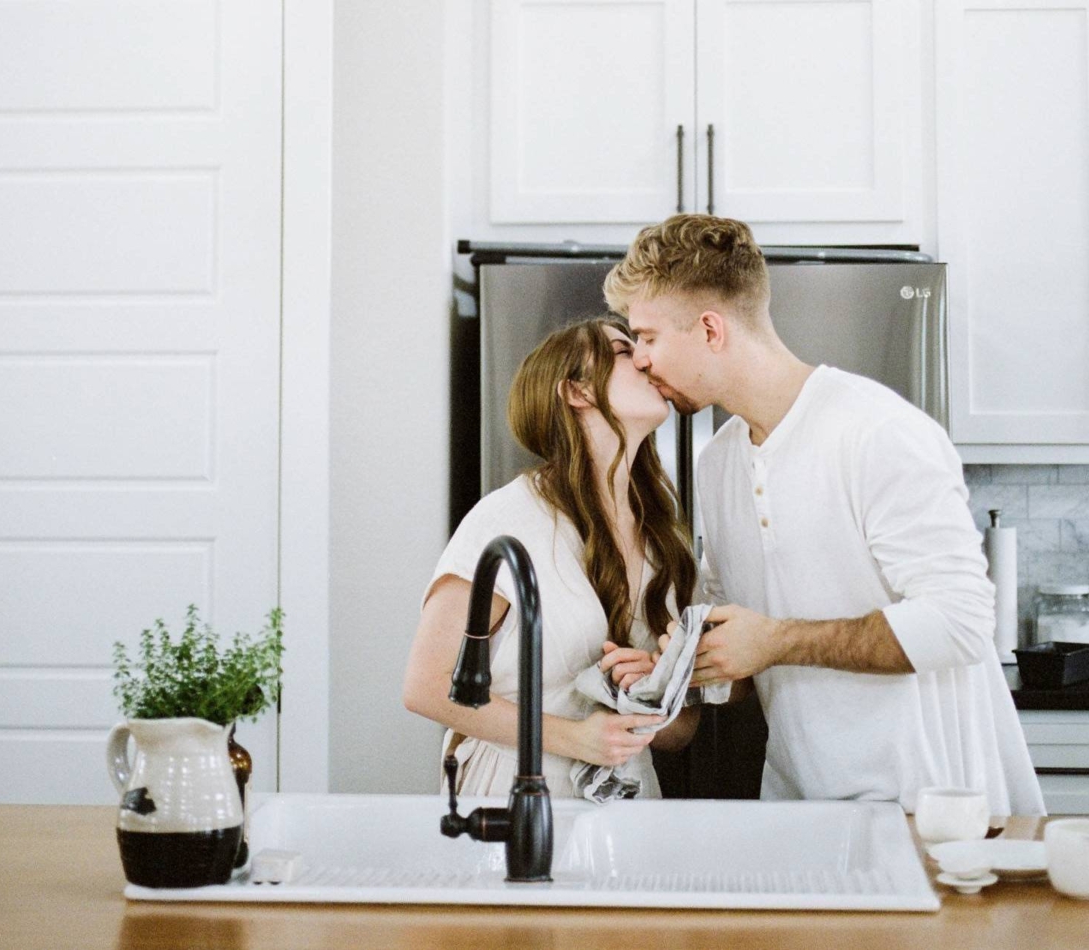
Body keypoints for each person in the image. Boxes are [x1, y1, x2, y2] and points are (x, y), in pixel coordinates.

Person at [603, 214, 1044, 815]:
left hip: (935, 807)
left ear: (710, 329)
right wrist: (677, 668)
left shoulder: (877, 433)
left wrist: (777, 642)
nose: (642, 361)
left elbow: (962, 624)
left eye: (648, 337)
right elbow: (744, 658)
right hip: (804, 802)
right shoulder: (720, 463)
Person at [403, 316, 701, 798]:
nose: (646, 359)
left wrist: (649, 689)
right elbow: (426, 685)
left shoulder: (666, 536)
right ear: (577, 392)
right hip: (515, 798)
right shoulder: (508, 518)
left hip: (630, 805)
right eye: (624, 352)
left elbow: (683, 731)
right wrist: (575, 738)